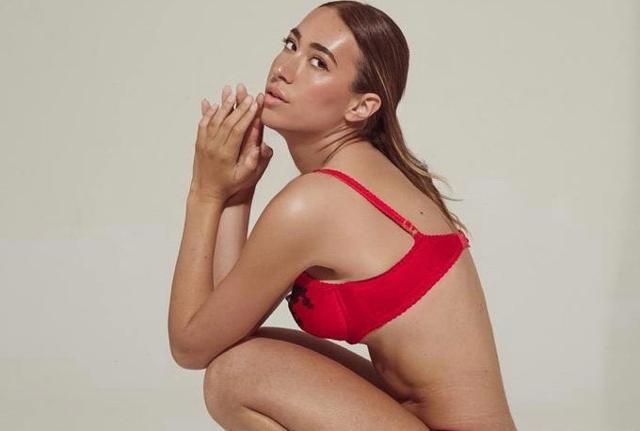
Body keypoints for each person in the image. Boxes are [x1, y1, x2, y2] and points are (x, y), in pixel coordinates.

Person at [168, 1, 518, 430]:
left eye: (318, 62)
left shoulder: (318, 203)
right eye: (291, 45)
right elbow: (222, 328)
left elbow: (190, 346)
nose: (284, 69)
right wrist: (236, 192)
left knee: (236, 375)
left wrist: (205, 193)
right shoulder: (363, 175)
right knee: (240, 360)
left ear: (361, 107)